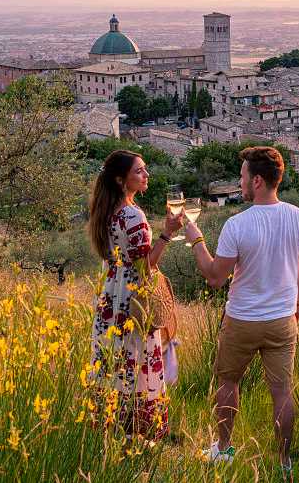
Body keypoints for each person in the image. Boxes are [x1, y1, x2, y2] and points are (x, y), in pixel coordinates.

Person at [184, 146, 299, 472]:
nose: (239, 182)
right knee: (282, 392)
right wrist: (297, 305)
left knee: (228, 382)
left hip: (242, 319)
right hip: (283, 320)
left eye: (242, 176)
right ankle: (284, 462)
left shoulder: (237, 225)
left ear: (256, 181)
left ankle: (224, 449)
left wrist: (196, 240)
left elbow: (215, 277)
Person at [87, 150, 183, 440]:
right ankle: (140, 435)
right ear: (121, 180)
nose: (146, 175)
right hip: (134, 303)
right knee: (137, 364)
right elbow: (146, 267)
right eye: (139, 171)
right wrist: (167, 233)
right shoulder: (133, 214)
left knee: (113, 364)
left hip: (110, 299)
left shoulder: (105, 212)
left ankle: (109, 430)